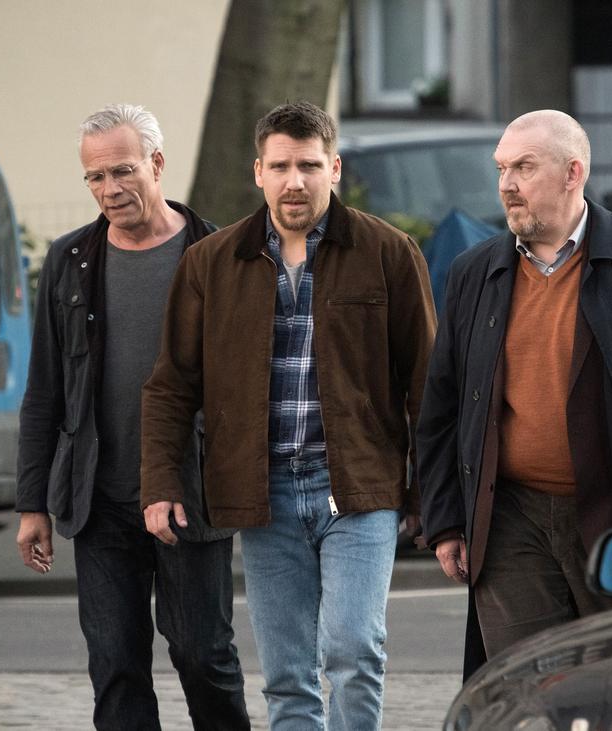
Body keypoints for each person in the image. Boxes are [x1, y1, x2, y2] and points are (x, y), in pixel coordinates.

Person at [140, 100, 435, 729]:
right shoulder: (212, 262)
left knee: (354, 649)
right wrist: (161, 483)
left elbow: (426, 383)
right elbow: (171, 385)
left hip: (358, 488)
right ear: (258, 172)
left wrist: (424, 491)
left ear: (334, 168)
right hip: (263, 493)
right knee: (286, 675)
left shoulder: (388, 252)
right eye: (279, 167)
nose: (293, 181)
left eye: (308, 165)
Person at [416, 109, 612, 675]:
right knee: (523, 686)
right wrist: (444, 518)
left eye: (524, 167)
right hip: (508, 518)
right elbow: (443, 405)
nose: (507, 184)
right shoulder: (475, 272)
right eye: (501, 169)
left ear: (573, 173)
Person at [14, 103, 248, 731]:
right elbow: (45, 391)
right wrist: (32, 504)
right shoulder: (69, 260)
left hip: (191, 493)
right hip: (100, 499)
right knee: (115, 666)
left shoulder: (217, 252)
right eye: (95, 177)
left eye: (123, 171)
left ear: (156, 163)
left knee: (203, 655)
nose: (110, 189)